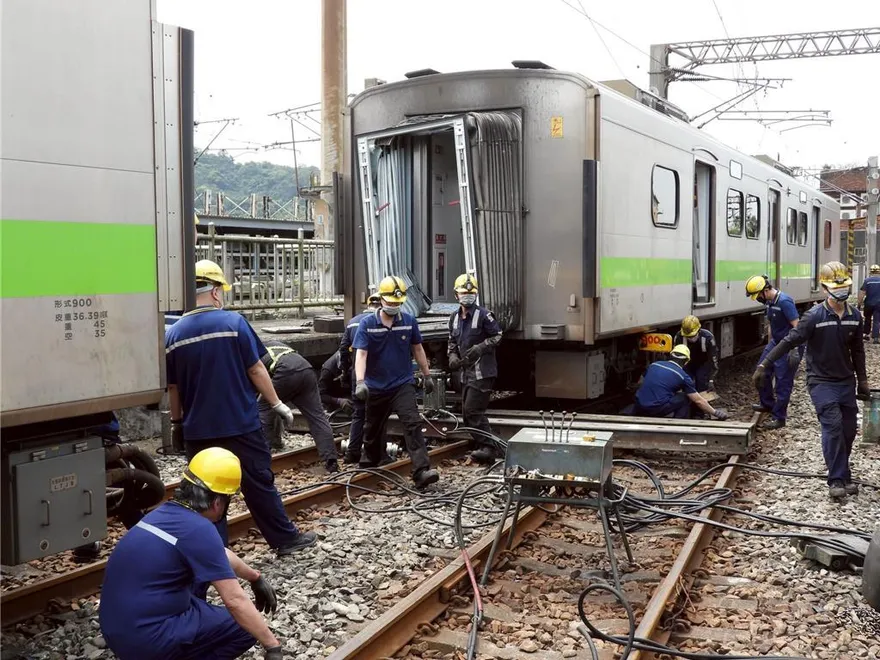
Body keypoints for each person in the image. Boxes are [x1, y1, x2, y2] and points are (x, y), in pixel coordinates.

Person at [165, 259, 316, 556]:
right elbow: (257, 369)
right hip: (240, 425)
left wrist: (177, 422)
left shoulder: (174, 335)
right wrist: (277, 404)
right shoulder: (233, 324)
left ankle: (214, 553)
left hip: (198, 431)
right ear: (216, 290)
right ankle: (285, 541)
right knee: (258, 484)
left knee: (207, 496)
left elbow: (174, 388)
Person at [100, 448, 284, 660]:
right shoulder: (199, 528)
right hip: (147, 641)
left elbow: (217, 554)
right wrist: (272, 646)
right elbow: (234, 600)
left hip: (118, 633)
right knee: (245, 628)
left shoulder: (163, 514)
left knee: (200, 579)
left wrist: (254, 577)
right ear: (217, 502)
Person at [751, 261, 869, 499]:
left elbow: (858, 350)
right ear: (825, 288)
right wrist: (765, 364)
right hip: (821, 382)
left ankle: (843, 473)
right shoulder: (814, 316)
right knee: (833, 427)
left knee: (848, 431)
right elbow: (789, 340)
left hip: (845, 381)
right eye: (836, 286)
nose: (841, 291)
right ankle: (836, 480)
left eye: (844, 286)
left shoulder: (855, 316)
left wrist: (862, 381)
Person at [353, 276, 440, 487]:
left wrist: (426, 375)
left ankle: (421, 471)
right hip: (375, 386)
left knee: (412, 424)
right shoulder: (367, 324)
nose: (393, 306)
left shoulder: (409, 322)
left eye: (397, 303)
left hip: (402, 384)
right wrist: (360, 381)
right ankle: (369, 463)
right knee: (372, 428)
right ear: (381, 299)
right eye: (390, 302)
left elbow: (418, 348)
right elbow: (361, 354)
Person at [258, 340, 340, 473]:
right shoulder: (275, 344)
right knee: (317, 417)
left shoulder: (251, 351)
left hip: (285, 371)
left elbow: (255, 378)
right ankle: (331, 462)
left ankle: (265, 456)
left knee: (263, 407)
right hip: (306, 369)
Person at [447, 273, 503, 462]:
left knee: (473, 411)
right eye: (464, 292)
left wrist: (481, 347)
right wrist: (453, 356)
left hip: (482, 371)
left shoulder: (484, 316)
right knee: (466, 414)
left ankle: (489, 448)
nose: (467, 295)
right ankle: (483, 446)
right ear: (456, 295)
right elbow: (452, 341)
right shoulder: (454, 318)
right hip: (465, 372)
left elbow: (498, 336)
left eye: (471, 292)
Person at [745, 275, 803, 430]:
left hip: (788, 345)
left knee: (783, 382)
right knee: (761, 373)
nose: (757, 299)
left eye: (757, 296)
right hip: (776, 343)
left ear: (765, 290)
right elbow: (771, 324)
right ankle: (767, 404)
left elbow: (797, 326)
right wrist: (769, 346)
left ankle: (779, 418)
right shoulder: (770, 303)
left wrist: (794, 349)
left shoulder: (784, 301)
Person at [338, 293, 383, 464]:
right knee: (377, 415)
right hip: (377, 376)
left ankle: (352, 453)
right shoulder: (381, 321)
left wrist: (344, 371)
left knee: (358, 414)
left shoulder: (353, 322)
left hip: (357, 375)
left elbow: (343, 349)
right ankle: (375, 454)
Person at [633, 345, 728, 420]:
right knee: (684, 397)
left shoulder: (654, 365)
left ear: (671, 355)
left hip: (639, 405)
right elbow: (698, 401)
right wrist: (715, 412)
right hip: (655, 409)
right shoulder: (683, 376)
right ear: (686, 362)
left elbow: (640, 383)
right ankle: (678, 423)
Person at [672, 315, 719, 392]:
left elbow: (713, 360)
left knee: (701, 380)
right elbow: (675, 359)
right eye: (688, 337)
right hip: (686, 363)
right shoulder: (679, 337)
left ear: (699, 330)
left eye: (692, 336)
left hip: (703, 363)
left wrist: (711, 380)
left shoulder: (708, 338)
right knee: (687, 383)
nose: (690, 339)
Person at [859, 264, 880, 343]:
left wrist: (859, 303)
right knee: (877, 320)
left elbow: (862, 293)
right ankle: (875, 338)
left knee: (867, 318)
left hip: (869, 303)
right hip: (879, 304)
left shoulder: (867, 281)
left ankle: (866, 334)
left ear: (870, 272)